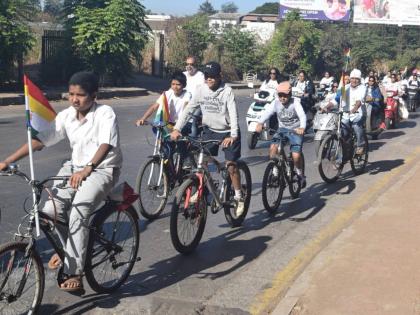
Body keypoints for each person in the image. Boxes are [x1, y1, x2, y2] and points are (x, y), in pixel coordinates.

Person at [0, 71, 123, 292]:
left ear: (94, 95)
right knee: (49, 211)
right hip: (74, 168)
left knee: (78, 214)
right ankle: (68, 250)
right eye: (71, 94)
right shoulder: (67, 115)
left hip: (102, 169)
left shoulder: (105, 113)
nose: (75, 99)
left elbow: (106, 144)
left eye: (81, 95)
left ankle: (74, 270)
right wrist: (7, 161)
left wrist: (88, 169)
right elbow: (41, 141)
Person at [170, 62, 245, 215]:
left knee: (231, 165)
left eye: (212, 77)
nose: (209, 79)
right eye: (207, 77)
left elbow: (233, 114)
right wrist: (177, 128)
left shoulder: (227, 91)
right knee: (201, 161)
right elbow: (189, 109)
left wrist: (233, 135)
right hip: (210, 130)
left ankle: (239, 195)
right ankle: (202, 188)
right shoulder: (201, 90)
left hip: (227, 131)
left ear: (219, 77)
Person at [255, 81, 307, 187]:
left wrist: (302, 127)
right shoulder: (275, 103)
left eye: (285, 95)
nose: (282, 98)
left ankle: (299, 174)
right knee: (273, 150)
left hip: (295, 130)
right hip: (282, 129)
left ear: (290, 94)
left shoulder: (295, 103)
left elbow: (302, 116)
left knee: (296, 156)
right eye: (280, 95)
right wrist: (260, 123)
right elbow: (267, 112)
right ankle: (275, 172)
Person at [331, 69, 367, 155]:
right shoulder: (345, 88)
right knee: (342, 132)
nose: (354, 80)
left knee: (356, 125)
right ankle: (344, 151)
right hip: (346, 114)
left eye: (356, 79)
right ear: (350, 79)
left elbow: (359, 101)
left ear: (359, 80)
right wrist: (325, 107)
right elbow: (336, 100)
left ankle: (360, 145)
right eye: (352, 78)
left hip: (359, 113)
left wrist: (354, 109)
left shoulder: (362, 88)